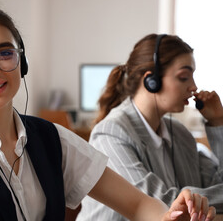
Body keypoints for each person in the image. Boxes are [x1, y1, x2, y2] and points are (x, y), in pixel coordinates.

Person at [0, 0, 215, 221]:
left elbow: (139, 205)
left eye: (4, 53)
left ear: (21, 61)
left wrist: (173, 213)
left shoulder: (51, 139)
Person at [77, 33, 223, 221]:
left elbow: (217, 183)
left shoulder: (180, 134)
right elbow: (165, 205)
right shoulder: (111, 133)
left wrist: (218, 123)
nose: (194, 86)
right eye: (184, 77)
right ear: (151, 81)